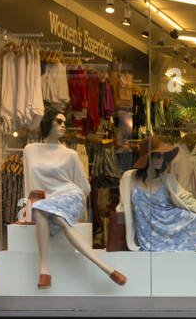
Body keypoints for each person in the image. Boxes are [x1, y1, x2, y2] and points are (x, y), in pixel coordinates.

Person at [27, 110, 127, 289]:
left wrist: (68, 204)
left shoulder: (70, 154)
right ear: (48, 122)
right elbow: (29, 182)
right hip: (46, 203)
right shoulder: (30, 150)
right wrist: (28, 207)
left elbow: (85, 187)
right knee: (45, 212)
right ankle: (45, 269)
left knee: (57, 216)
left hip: (71, 197)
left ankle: (103, 268)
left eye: (65, 121)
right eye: (59, 121)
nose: (64, 125)